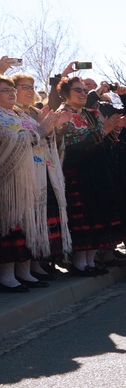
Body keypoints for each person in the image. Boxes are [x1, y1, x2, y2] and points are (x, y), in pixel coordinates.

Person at [0, 76, 72, 291]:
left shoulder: (21, 113)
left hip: (35, 177)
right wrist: (41, 130)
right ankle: (6, 276)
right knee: (12, 229)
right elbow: (12, 141)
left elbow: (40, 137)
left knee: (27, 229)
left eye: (12, 89)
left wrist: (52, 128)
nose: (12, 93)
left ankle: (24, 272)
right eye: (5, 90)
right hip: (11, 183)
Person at [55, 76, 126, 276]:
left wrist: (115, 129)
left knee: (98, 216)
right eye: (77, 90)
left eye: (84, 91)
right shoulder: (62, 115)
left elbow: (104, 140)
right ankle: (79, 263)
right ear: (65, 94)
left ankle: (91, 262)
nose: (82, 94)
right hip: (77, 172)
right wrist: (103, 132)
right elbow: (68, 149)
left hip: (98, 171)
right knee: (83, 219)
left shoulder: (92, 114)